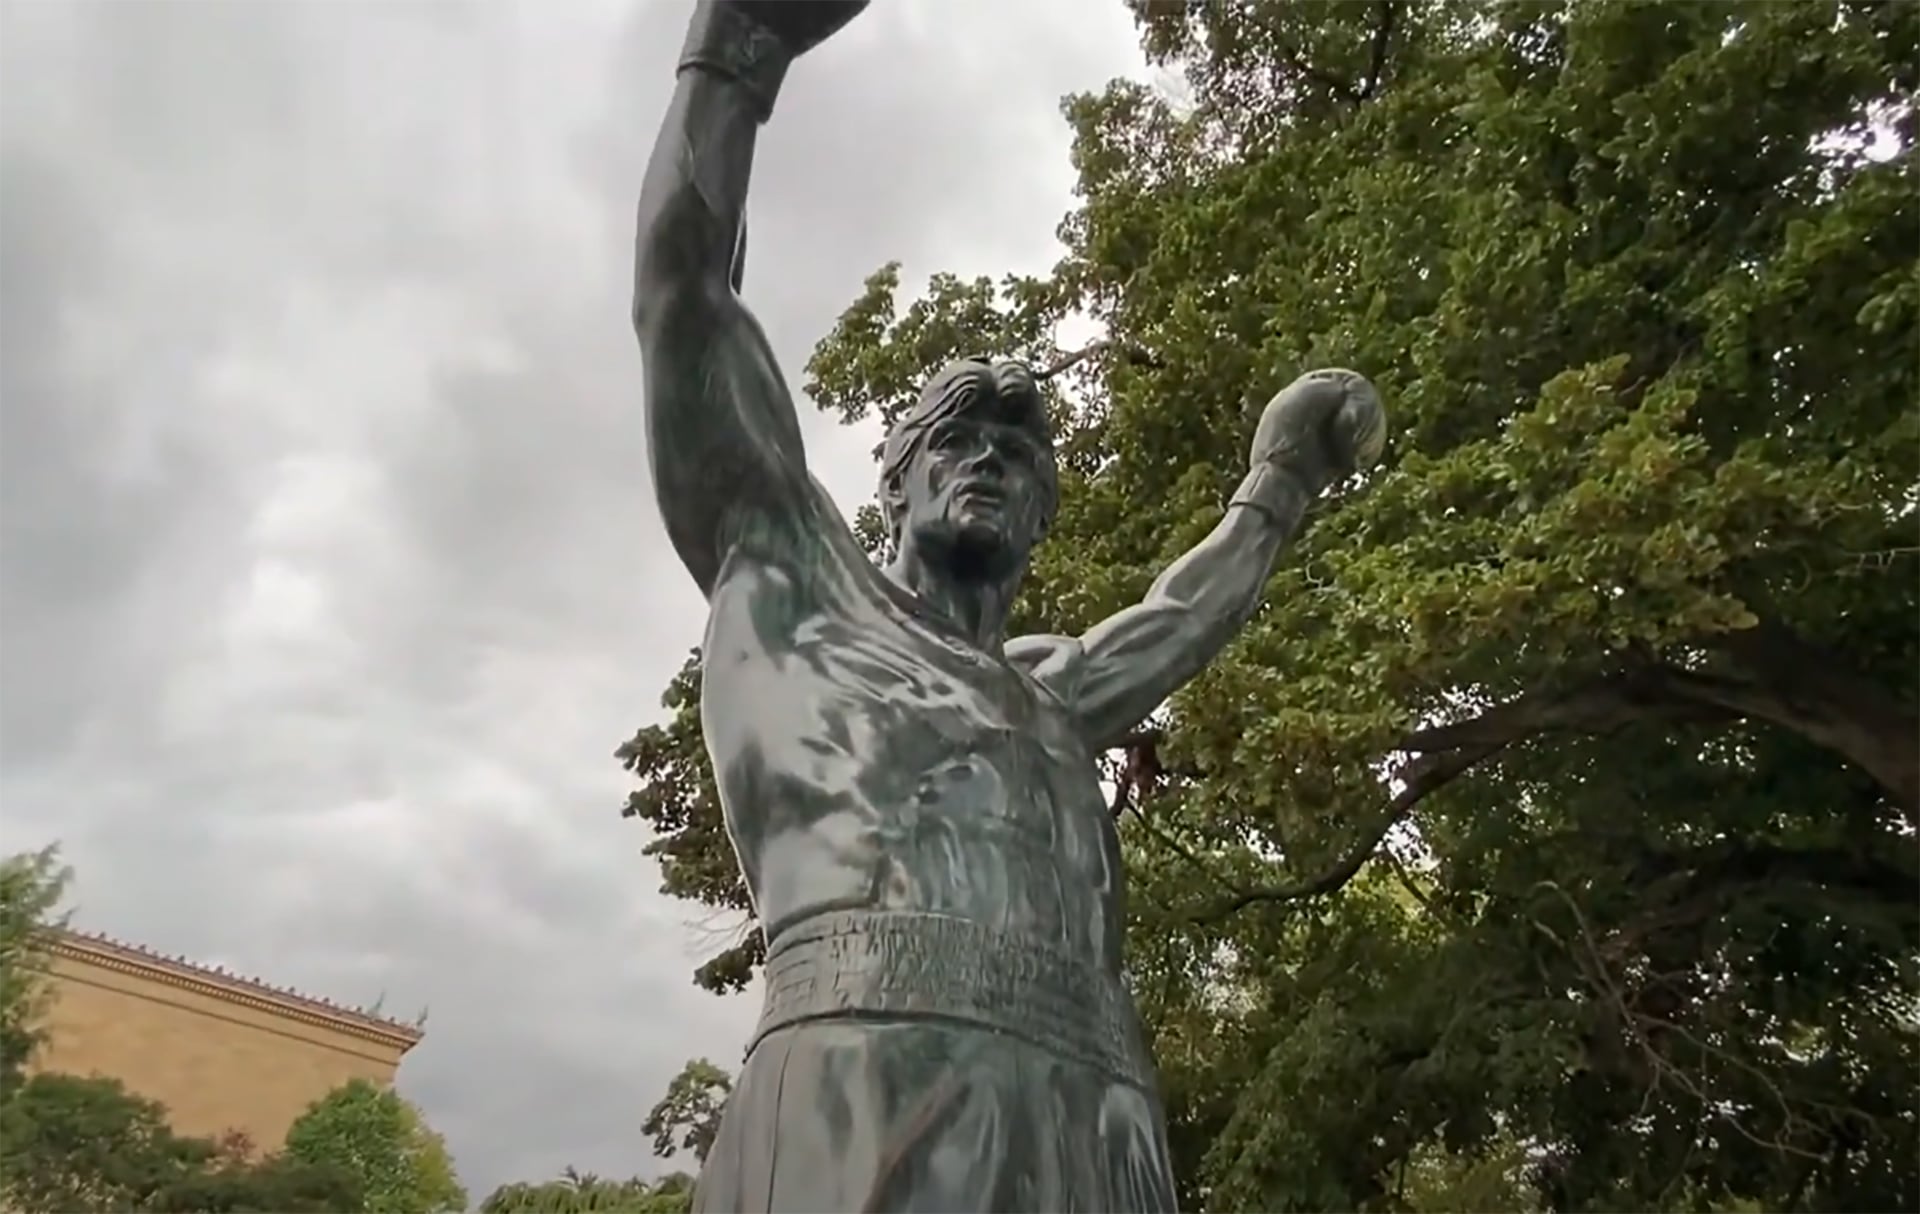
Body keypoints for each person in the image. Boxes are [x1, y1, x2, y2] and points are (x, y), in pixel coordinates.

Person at [630, 3, 1387, 1210]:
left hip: (1100, 1104)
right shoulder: (795, 581)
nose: (989, 461)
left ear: (1043, 515)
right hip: (867, 1074)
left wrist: (1279, 484)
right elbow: (685, 300)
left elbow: (1180, 616)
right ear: (897, 477)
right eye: (958, 439)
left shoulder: (1050, 687)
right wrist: (736, 57)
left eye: (1021, 457)